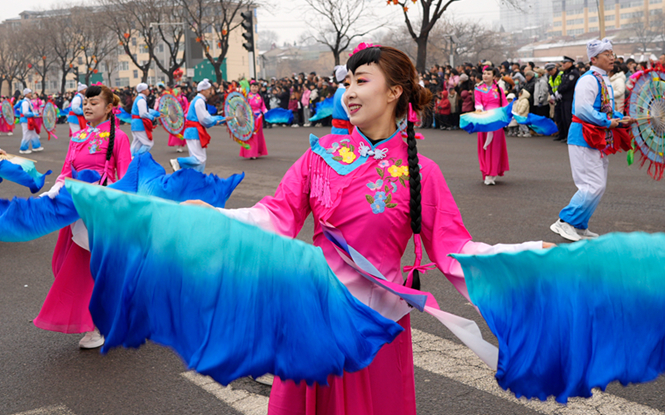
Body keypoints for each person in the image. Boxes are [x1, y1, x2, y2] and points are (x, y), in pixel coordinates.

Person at [186, 45, 546, 415]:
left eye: (361, 81)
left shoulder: (422, 172)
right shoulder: (320, 155)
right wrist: (215, 218)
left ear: (394, 92)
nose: (349, 92)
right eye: (347, 83)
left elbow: (455, 249)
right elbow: (276, 216)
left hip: (377, 330)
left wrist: (531, 256)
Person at [35, 85, 131, 348]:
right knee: (72, 264)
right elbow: (67, 171)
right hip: (77, 209)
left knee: (91, 268)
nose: (87, 107)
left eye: (94, 103)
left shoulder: (119, 137)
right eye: (85, 102)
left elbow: (125, 176)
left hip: (103, 212)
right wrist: (54, 191)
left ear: (109, 107)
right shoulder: (78, 136)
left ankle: (97, 325)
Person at [551, 38, 636, 242]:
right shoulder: (588, 79)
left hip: (596, 137)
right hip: (584, 136)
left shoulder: (602, 79)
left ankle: (579, 225)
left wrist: (621, 118)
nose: (612, 58)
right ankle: (565, 221)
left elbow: (605, 109)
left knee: (597, 185)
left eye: (612, 54)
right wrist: (608, 122)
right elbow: (582, 110)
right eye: (607, 54)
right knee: (592, 184)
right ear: (594, 59)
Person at [171, 79, 226, 172]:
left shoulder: (199, 100)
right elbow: (205, 119)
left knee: (200, 160)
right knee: (200, 159)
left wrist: (221, 119)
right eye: (209, 90)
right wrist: (220, 120)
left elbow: (206, 117)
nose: (210, 92)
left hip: (193, 132)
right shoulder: (199, 101)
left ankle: (195, 177)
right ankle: (178, 162)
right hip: (194, 132)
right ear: (203, 90)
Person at [474, 66, 509, 185]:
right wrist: (479, 110)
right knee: (485, 147)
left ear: (494, 76)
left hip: (496, 122)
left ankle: (493, 172)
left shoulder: (499, 89)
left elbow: (504, 105)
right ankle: (487, 172)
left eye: (488, 74)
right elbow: (478, 103)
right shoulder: (479, 89)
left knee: (495, 148)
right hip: (484, 121)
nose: (485, 76)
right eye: (484, 73)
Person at [240, 80, 268, 160]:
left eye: (256, 87)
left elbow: (263, 106)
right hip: (249, 117)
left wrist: (265, 112)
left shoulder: (260, 96)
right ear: (250, 87)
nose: (254, 88)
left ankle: (256, 152)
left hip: (258, 117)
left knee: (257, 135)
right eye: (253, 87)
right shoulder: (247, 96)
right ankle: (250, 152)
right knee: (250, 135)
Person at [130, 83, 159, 156]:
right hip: (139, 124)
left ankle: (130, 158)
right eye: (147, 89)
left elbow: (147, 110)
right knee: (148, 143)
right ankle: (137, 158)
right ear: (143, 91)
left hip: (135, 124)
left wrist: (158, 113)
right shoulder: (141, 100)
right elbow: (143, 114)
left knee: (136, 143)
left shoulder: (139, 99)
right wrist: (152, 117)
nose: (148, 90)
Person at [557, 56, 580, 143]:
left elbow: (568, 85)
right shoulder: (566, 72)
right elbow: (562, 83)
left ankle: (571, 137)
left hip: (570, 98)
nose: (563, 65)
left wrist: (560, 90)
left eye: (565, 63)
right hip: (564, 98)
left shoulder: (573, 73)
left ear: (570, 63)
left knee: (569, 118)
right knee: (564, 118)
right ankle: (566, 135)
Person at [18, 88, 43, 154]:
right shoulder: (25, 102)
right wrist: (35, 114)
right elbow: (25, 113)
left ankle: (36, 146)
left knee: (33, 133)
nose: (31, 94)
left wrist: (36, 115)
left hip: (29, 120)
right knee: (27, 134)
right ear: (26, 94)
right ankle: (23, 149)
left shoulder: (28, 101)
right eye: (29, 93)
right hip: (26, 120)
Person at [331, 65, 353, 135]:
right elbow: (350, 114)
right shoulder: (345, 93)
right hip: (345, 131)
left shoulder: (338, 91)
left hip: (337, 130)